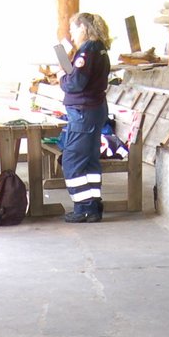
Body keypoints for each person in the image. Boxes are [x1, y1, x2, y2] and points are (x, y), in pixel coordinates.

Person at [58, 12, 112, 224]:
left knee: (71, 161)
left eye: (73, 28)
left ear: (83, 28)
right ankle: (93, 205)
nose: (71, 32)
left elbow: (76, 83)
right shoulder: (100, 49)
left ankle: (83, 208)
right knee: (89, 162)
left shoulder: (87, 51)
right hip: (93, 110)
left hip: (83, 113)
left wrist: (62, 78)